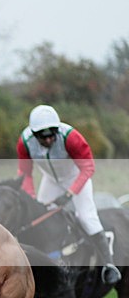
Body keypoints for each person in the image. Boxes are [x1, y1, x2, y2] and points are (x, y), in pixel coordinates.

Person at [17, 104, 121, 285]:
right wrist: (31, 197)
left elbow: (88, 167)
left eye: (52, 134)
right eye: (43, 136)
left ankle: (109, 265)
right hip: (50, 180)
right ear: (34, 134)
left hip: (77, 176)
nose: (49, 139)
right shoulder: (24, 142)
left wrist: (70, 193)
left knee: (86, 216)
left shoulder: (71, 137)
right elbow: (25, 173)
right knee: (40, 217)